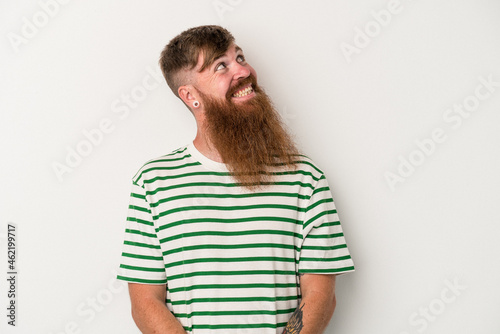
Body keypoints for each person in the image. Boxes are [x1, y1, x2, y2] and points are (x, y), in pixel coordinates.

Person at [117, 25, 355, 334]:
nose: (243, 70)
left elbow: (320, 294)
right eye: (221, 66)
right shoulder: (153, 182)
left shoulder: (305, 179)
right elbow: (145, 302)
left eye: (239, 57)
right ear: (190, 96)